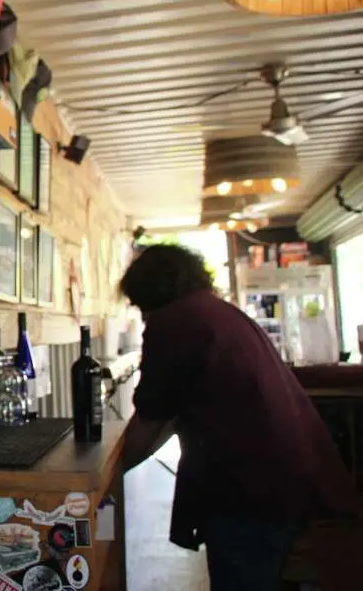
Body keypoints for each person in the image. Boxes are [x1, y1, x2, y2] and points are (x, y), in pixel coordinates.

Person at [118, 244, 358, 591]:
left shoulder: (173, 322)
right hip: (293, 476)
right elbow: (168, 412)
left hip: (251, 489)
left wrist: (109, 472)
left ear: (147, 290)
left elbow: (152, 416)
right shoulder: (217, 312)